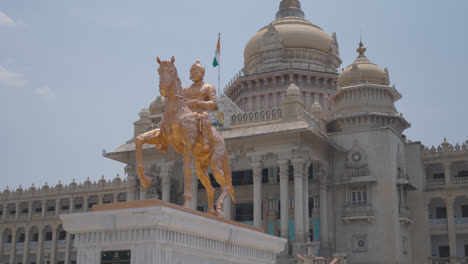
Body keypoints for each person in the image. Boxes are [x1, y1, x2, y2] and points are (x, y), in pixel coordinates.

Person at [183, 60, 217, 150]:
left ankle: (205, 140)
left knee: (202, 118)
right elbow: (180, 104)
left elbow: (214, 103)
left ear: (202, 73)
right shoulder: (185, 90)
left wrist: (199, 103)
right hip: (187, 114)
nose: (194, 74)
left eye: (196, 72)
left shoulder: (208, 87)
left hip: (201, 113)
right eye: (192, 72)